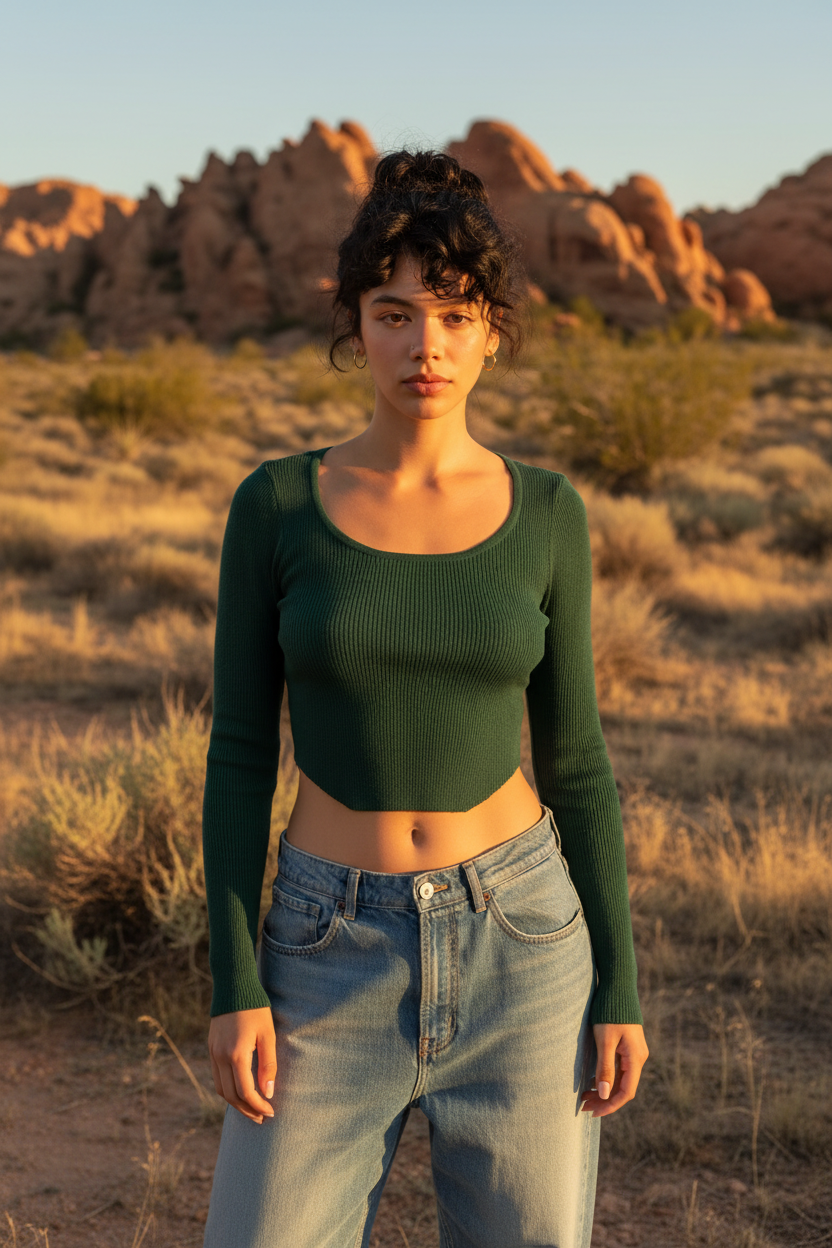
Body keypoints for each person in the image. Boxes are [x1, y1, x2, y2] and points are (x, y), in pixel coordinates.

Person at [201, 149, 648, 1248]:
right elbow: (240, 751)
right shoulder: (277, 505)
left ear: (492, 327)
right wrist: (232, 979)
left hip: (523, 942)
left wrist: (621, 986)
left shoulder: (547, 513)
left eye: (453, 314)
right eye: (393, 313)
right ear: (354, 323)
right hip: (323, 943)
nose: (425, 346)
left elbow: (577, 761)